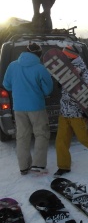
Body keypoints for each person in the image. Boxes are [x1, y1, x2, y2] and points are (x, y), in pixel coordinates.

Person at [53, 45, 88, 177]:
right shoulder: (64, 69)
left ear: (70, 57)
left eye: (65, 56)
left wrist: (78, 77)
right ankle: (64, 166)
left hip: (78, 112)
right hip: (64, 111)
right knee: (61, 141)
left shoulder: (83, 71)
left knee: (83, 137)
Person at [3, 43, 53, 175]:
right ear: (38, 54)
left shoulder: (13, 66)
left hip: (18, 107)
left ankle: (24, 166)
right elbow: (48, 89)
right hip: (36, 107)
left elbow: (6, 85)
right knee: (41, 134)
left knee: (22, 136)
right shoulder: (40, 68)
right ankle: (39, 165)